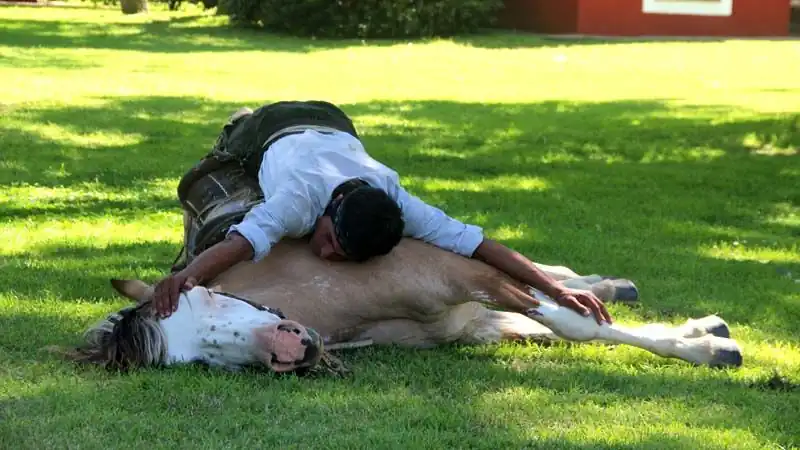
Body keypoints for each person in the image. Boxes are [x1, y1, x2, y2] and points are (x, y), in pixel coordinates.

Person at [152, 100, 615, 326]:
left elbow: (480, 244)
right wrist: (186, 276)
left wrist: (555, 288)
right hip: (269, 128)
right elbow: (240, 243)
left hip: (335, 122)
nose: (328, 256)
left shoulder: (399, 202)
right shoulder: (297, 199)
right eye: (330, 241)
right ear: (328, 212)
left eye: (341, 255)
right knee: (217, 189)